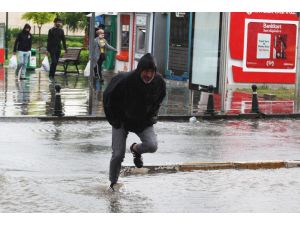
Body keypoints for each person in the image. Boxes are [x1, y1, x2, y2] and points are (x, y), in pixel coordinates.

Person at [103, 53, 166, 191]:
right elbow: (107, 97)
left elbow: (159, 100)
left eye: (151, 72)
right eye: (145, 71)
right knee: (118, 154)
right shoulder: (124, 80)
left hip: (142, 121)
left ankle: (135, 149)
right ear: (139, 70)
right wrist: (114, 120)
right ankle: (113, 183)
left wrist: (152, 116)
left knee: (152, 145)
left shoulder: (159, 82)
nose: (148, 75)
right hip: (122, 120)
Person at [46, 17, 67, 82]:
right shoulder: (51, 30)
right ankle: (50, 75)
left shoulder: (61, 31)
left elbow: (63, 40)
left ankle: (52, 75)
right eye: (58, 22)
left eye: (60, 22)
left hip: (58, 49)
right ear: (55, 22)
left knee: (55, 63)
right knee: (54, 61)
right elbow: (48, 40)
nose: (59, 23)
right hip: (52, 49)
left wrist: (65, 48)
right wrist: (47, 50)